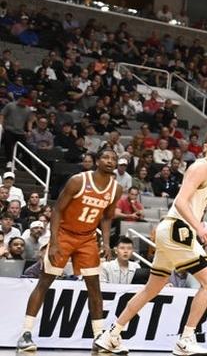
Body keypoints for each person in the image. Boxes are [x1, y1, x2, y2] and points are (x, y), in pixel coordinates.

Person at [95, 129, 207, 356]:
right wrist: (198, 226)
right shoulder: (199, 167)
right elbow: (181, 202)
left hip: (173, 231)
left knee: (152, 289)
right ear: (205, 146)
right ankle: (185, 339)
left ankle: (112, 334)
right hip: (178, 228)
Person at [18, 145, 121, 353]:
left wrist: (107, 243)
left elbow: (108, 217)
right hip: (64, 235)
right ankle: (26, 333)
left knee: (94, 286)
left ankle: (99, 336)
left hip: (88, 238)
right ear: (97, 160)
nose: (110, 161)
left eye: (114, 158)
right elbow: (57, 210)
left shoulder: (116, 188)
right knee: (45, 282)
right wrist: (54, 242)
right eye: (106, 157)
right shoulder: (79, 181)